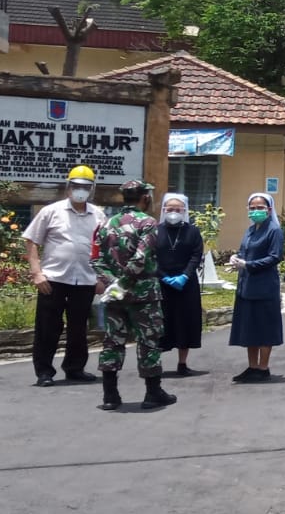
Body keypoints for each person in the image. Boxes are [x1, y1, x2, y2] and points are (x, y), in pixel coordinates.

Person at [92, 179, 176, 411]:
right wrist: (125, 282)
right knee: (148, 341)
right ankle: (152, 393)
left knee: (112, 342)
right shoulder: (148, 223)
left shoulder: (106, 224)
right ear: (145, 197)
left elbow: (95, 260)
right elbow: (140, 258)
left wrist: (113, 284)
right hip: (143, 295)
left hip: (115, 296)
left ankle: (110, 396)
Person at [21, 165, 108, 387]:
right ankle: (44, 371)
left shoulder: (98, 214)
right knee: (48, 326)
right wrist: (36, 273)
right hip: (53, 279)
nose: (81, 190)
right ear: (69, 187)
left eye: (85, 187)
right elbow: (31, 240)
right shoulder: (51, 211)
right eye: (77, 186)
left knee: (79, 327)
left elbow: (104, 247)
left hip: (86, 279)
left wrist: (101, 277)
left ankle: (75, 368)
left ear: (92, 189)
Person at [228, 192, 285, 383]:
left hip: (265, 286)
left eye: (260, 208)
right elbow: (244, 250)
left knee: (265, 328)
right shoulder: (250, 230)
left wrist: (248, 265)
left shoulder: (274, 230)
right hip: (246, 286)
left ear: (269, 210)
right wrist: (235, 258)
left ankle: (263, 367)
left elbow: (274, 257)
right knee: (249, 328)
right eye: (252, 208)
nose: (255, 211)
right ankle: (252, 367)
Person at [155, 193, 205, 376]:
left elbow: (196, 255)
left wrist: (184, 276)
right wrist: (163, 276)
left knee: (186, 322)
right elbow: (150, 257)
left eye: (178, 209)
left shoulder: (192, 231)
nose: (174, 212)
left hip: (186, 284)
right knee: (161, 322)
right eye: (170, 209)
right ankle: (154, 364)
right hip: (162, 283)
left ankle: (182, 363)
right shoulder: (155, 230)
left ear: (184, 211)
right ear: (164, 210)